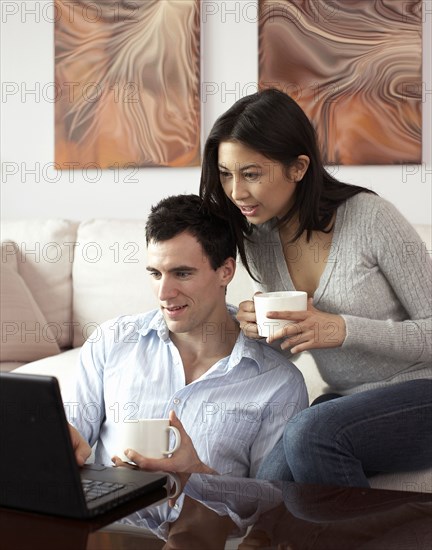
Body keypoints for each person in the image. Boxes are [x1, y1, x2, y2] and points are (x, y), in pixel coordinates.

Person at [199, 88, 432, 487]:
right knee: (268, 489)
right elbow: (292, 350)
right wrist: (260, 331)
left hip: (421, 392)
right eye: (226, 174)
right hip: (347, 400)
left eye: (251, 174)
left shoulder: (371, 218)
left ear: (299, 167)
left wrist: (340, 329)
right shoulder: (259, 239)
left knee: (311, 432)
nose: (236, 192)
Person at [68, 194, 308, 479]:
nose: (164, 293)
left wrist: (197, 474)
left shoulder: (278, 385)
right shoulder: (110, 343)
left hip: (206, 523)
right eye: (155, 274)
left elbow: (267, 507)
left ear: (225, 271)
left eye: (181, 274)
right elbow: (71, 438)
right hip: (110, 523)